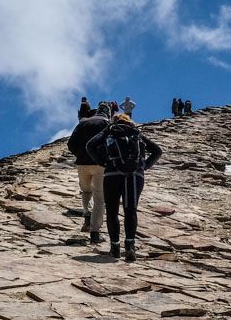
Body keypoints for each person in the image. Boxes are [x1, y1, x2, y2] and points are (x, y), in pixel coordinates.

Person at [85, 113, 162, 261]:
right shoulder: (136, 133)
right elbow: (157, 151)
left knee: (112, 212)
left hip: (112, 174)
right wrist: (144, 166)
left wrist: (103, 162)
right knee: (130, 210)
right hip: (134, 176)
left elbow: (90, 146)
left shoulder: (110, 131)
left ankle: (115, 248)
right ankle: (130, 247)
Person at [67, 105, 110, 243]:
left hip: (82, 163)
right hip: (100, 164)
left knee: (86, 191)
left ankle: (87, 215)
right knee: (99, 198)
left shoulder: (83, 122)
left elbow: (70, 143)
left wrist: (79, 154)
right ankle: (95, 232)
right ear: (108, 113)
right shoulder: (107, 124)